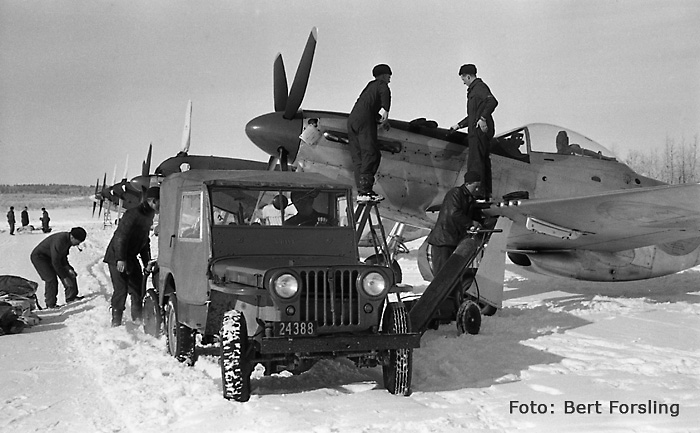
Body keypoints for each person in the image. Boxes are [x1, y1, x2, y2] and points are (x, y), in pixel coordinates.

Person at [104, 187, 160, 327]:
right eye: (161, 202)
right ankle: (116, 321)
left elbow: (144, 240)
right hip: (117, 256)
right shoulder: (133, 214)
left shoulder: (149, 214)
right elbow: (121, 237)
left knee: (137, 287)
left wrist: (147, 261)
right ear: (153, 201)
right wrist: (120, 258)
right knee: (121, 289)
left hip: (130, 256)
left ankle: (138, 319)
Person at [450, 64, 498, 199]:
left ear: (468, 76)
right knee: (477, 161)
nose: (463, 82)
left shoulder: (479, 88)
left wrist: (483, 118)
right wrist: (458, 125)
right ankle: (483, 192)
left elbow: (492, 101)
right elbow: (472, 116)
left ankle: (477, 193)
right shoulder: (474, 90)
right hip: (475, 131)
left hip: (479, 133)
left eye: (463, 78)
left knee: (476, 162)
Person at [347, 64, 392, 203]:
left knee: (358, 157)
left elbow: (367, 105)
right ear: (384, 75)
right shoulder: (381, 84)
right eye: (389, 75)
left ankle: (361, 191)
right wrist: (386, 110)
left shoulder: (369, 87)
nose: (390, 78)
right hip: (365, 121)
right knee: (371, 153)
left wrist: (378, 118)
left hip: (352, 120)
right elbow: (384, 92)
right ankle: (366, 189)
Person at [426, 171, 482, 276]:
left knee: (451, 274)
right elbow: (454, 213)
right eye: (476, 186)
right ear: (467, 184)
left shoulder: (469, 198)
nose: (477, 190)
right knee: (442, 275)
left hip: (453, 241)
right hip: (443, 241)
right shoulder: (456, 193)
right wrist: (471, 223)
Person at [30, 227, 87, 308]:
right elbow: (55, 262)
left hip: (52, 257)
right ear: (72, 237)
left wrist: (68, 269)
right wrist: (64, 278)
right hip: (40, 258)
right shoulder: (60, 240)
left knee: (70, 273)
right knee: (51, 278)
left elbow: (62, 257)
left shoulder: (68, 241)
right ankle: (50, 304)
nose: (78, 244)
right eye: (78, 242)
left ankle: (71, 297)